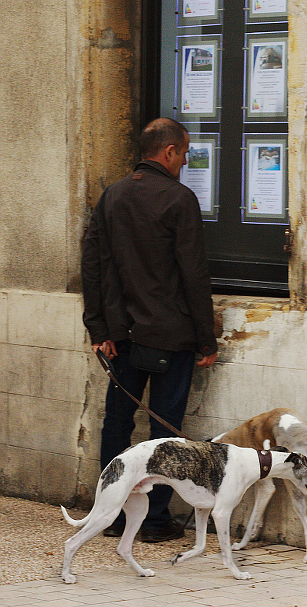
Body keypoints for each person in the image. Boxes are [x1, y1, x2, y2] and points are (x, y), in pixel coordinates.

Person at [81, 117, 218, 542]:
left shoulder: (112, 196)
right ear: (169, 152)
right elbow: (193, 274)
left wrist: (98, 328)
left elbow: (93, 264)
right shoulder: (179, 200)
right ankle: (155, 521)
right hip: (172, 335)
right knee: (165, 432)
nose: (184, 161)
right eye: (185, 152)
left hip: (121, 337)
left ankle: (113, 516)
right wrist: (205, 338)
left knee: (117, 425)